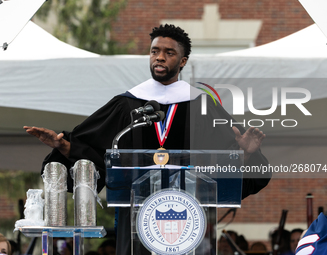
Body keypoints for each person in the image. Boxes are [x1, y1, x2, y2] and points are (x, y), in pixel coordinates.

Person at [24, 24, 271, 255]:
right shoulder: (126, 104)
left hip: (189, 219)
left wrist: (246, 153)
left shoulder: (202, 106)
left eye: (168, 52)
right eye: (155, 51)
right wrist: (63, 145)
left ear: (182, 61)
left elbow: (226, 159)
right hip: (135, 216)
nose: (159, 57)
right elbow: (97, 152)